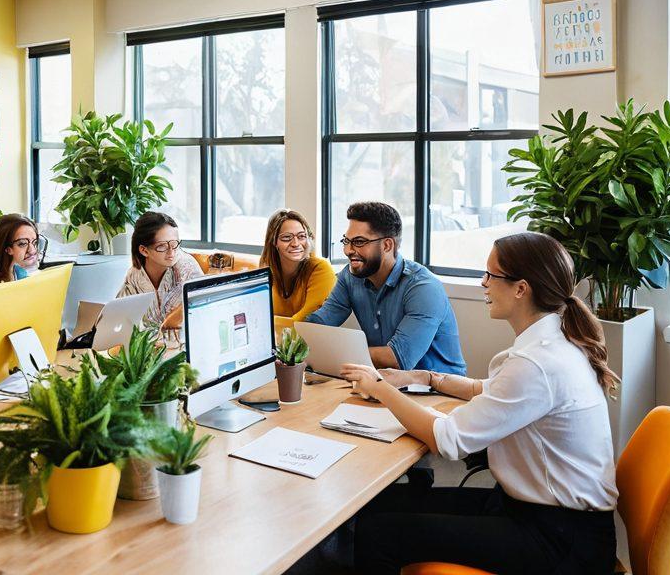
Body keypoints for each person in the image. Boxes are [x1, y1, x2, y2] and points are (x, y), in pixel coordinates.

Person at [333, 232, 619, 575]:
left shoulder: (538, 364)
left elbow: (448, 440)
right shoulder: (553, 341)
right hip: (534, 511)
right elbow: (491, 390)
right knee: (379, 505)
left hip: (558, 539)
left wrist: (379, 387)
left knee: (379, 533)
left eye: (491, 275)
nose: (483, 283)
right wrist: (423, 378)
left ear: (521, 288)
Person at [305, 201, 465, 375]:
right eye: (346, 241)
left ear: (387, 245)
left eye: (358, 242)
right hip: (383, 382)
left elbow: (397, 358)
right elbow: (319, 323)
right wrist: (293, 343)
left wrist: (328, 352)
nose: (348, 250)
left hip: (440, 392)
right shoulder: (350, 276)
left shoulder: (424, 288)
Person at [117, 211, 202, 329]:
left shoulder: (187, 269)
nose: (171, 252)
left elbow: (201, 316)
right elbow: (119, 317)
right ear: (144, 250)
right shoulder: (134, 276)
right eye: (162, 246)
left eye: (174, 244)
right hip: (150, 345)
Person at [260, 209, 337, 333]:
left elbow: (305, 323)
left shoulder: (321, 269)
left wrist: (266, 323)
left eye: (301, 236)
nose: (296, 243)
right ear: (274, 242)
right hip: (277, 348)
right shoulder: (266, 271)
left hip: (310, 347)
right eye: (286, 237)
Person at [0, 213, 44, 285]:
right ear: (7, 249)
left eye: (34, 242)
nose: (32, 250)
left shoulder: (19, 272)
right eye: (22, 244)